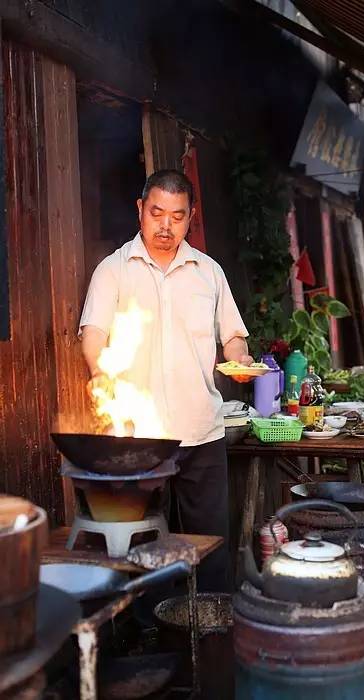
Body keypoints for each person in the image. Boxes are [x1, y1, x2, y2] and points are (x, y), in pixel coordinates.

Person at [79, 169, 252, 591]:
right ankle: (149, 635)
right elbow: (93, 337)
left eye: (177, 216)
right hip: (140, 440)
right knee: (142, 546)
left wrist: (241, 358)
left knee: (209, 546)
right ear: (140, 210)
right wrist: (102, 375)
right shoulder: (114, 270)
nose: (166, 225)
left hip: (201, 431)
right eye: (157, 213)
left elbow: (232, 336)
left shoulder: (208, 272)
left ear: (190, 217)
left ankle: (212, 626)